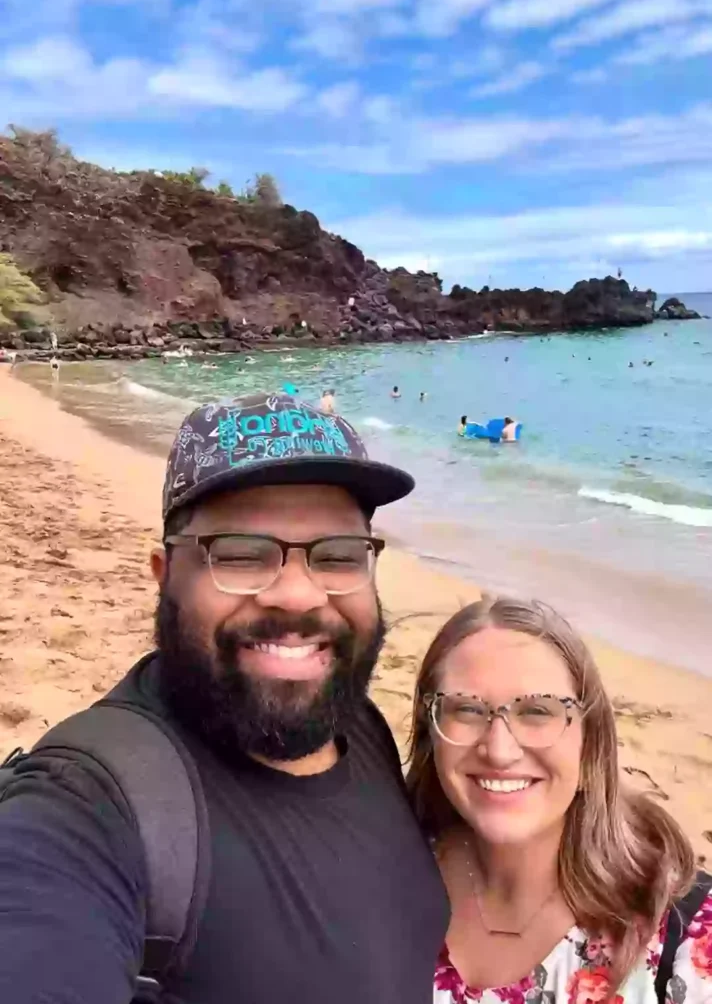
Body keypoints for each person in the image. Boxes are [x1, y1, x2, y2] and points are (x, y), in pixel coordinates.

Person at [0, 391, 449, 1004]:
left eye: (339, 557)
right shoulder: (89, 805)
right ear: (164, 577)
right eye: (240, 555)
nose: (297, 596)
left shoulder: (356, 719)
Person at [407, 596, 710, 1004]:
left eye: (537, 712)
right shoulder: (378, 880)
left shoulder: (684, 937)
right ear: (432, 734)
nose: (499, 750)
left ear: (590, 744)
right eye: (466, 710)